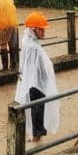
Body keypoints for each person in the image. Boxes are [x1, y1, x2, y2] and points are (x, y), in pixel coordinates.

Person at [14, 12, 60, 142]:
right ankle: (37, 151)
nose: (44, 32)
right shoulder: (33, 47)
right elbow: (38, 67)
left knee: (37, 115)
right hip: (36, 86)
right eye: (42, 29)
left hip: (34, 83)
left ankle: (36, 147)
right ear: (34, 30)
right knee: (38, 115)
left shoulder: (28, 42)